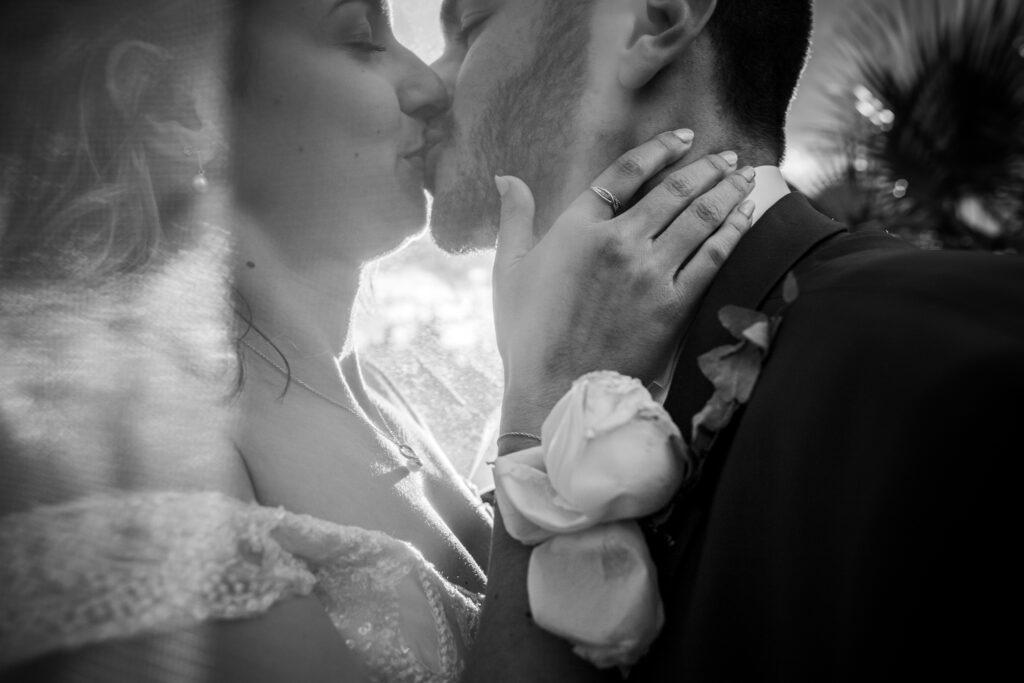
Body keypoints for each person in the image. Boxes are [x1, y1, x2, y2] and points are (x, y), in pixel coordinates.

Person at [0, 0, 757, 680]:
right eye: (362, 39)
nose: (429, 84)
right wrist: (556, 389)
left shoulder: (386, 391)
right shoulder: (113, 431)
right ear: (174, 104)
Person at [426, 0, 1024, 680]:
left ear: (655, 18)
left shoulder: (970, 360)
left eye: (468, 28)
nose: (426, 84)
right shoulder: (519, 395)